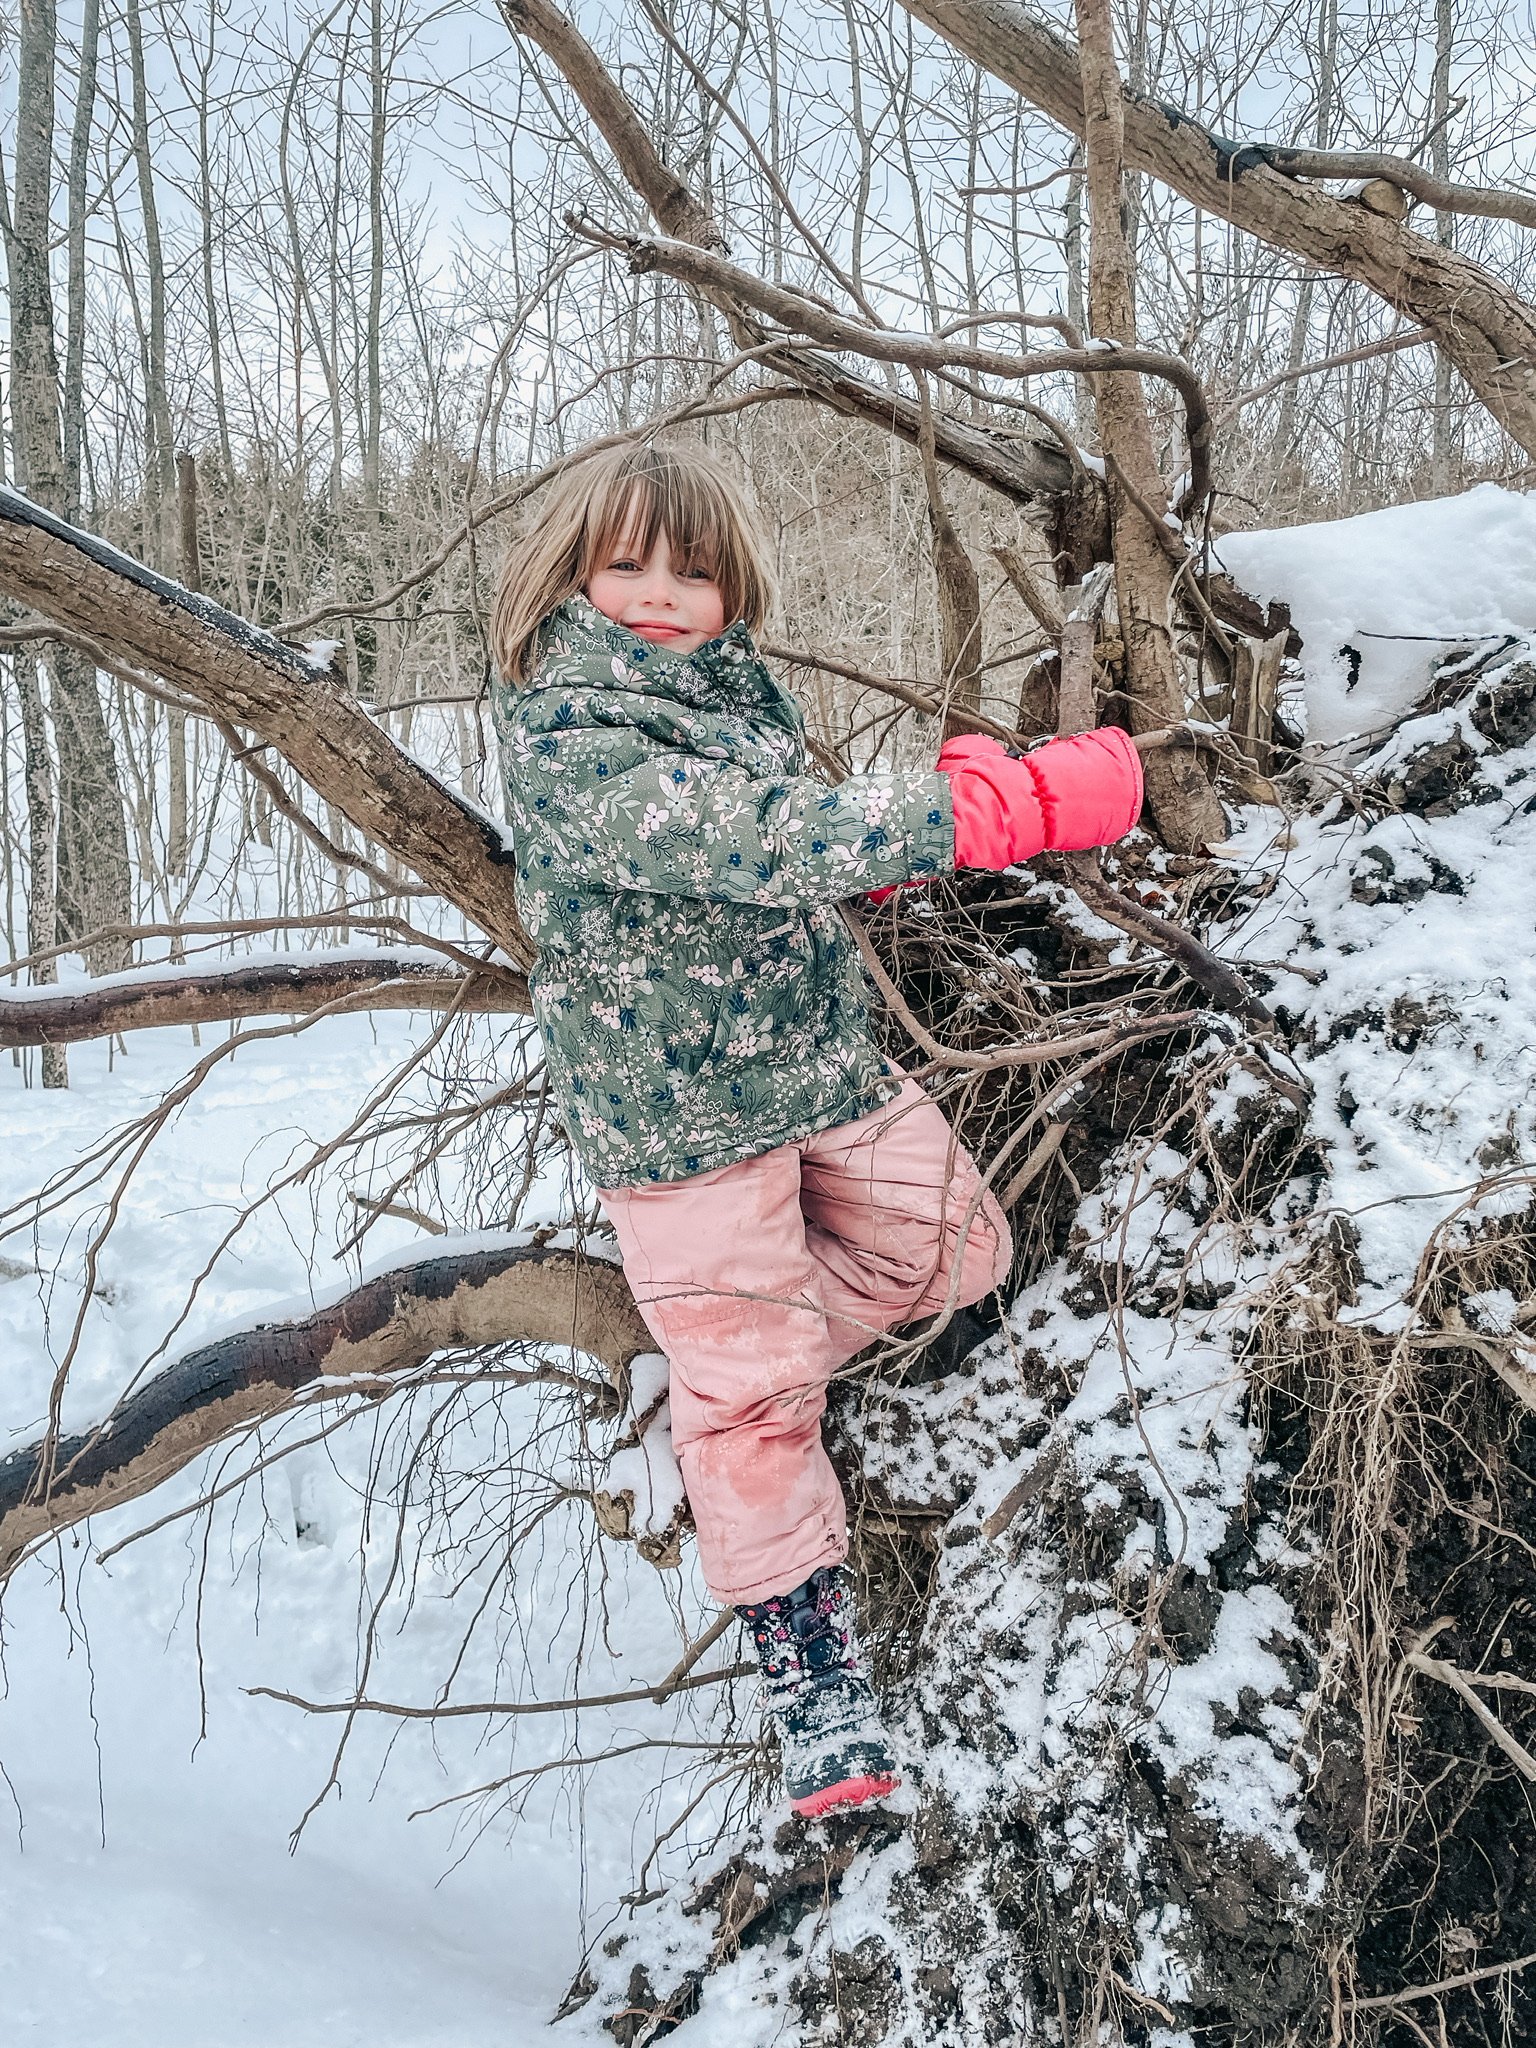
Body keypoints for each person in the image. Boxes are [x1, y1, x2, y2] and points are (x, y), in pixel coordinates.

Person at [490, 440, 1143, 1818]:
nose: (660, 593)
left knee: (958, 1246)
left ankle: (723, 1382)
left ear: (736, 589)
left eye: (696, 568)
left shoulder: (741, 702)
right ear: (568, 573)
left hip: (811, 1064)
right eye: (626, 563)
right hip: (680, 1123)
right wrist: (987, 811)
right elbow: (746, 838)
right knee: (760, 1389)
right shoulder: (568, 735)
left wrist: (880, 883)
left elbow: (778, 850)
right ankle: (809, 1665)